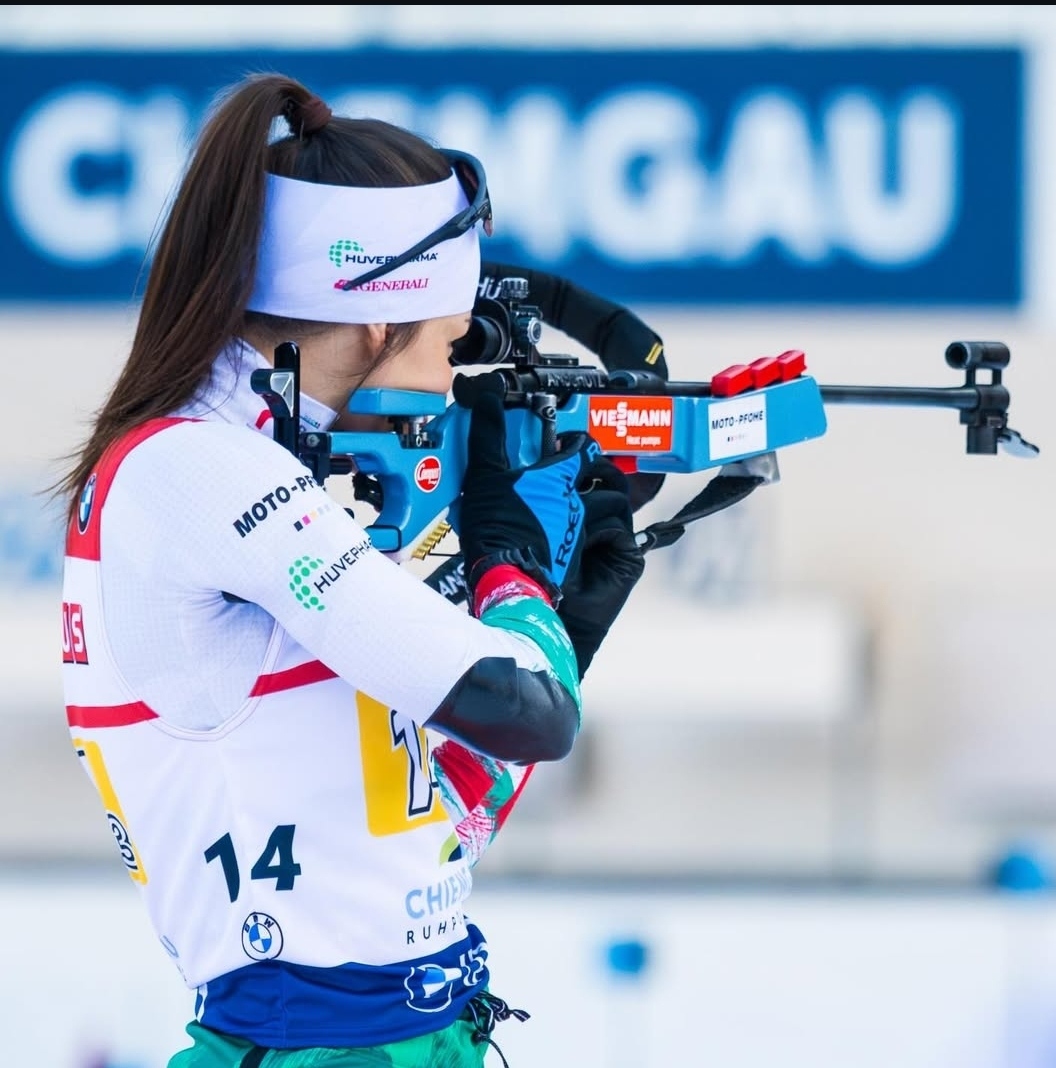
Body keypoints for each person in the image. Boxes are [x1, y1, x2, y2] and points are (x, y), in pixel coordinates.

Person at [55, 71, 645, 1068]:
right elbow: (527, 714)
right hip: (314, 1045)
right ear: (376, 322)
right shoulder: (200, 472)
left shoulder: (243, 468)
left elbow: (425, 832)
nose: (453, 379)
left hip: (416, 1034)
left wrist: (560, 619)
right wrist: (508, 564)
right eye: (451, 343)